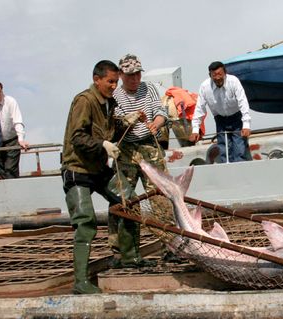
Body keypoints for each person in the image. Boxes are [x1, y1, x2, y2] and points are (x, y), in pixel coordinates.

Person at [62, 60, 127, 294]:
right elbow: (77, 137)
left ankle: (128, 257)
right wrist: (103, 145)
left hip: (98, 169)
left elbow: (110, 130)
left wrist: (123, 124)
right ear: (96, 79)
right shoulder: (84, 101)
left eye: (116, 82)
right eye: (110, 81)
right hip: (77, 169)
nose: (113, 86)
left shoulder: (110, 104)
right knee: (85, 223)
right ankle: (80, 282)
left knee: (127, 200)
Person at [110, 54, 168, 268]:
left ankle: (170, 246)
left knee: (161, 197)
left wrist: (157, 122)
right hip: (127, 150)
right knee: (124, 200)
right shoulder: (115, 94)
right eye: (130, 75)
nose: (135, 79)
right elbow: (115, 123)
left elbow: (160, 111)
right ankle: (120, 252)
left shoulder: (149, 88)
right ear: (121, 75)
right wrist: (128, 120)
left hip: (149, 147)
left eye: (137, 74)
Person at [190, 61, 251, 163]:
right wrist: (195, 130)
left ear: (225, 73)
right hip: (220, 120)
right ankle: (226, 174)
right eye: (214, 75)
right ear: (210, 76)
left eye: (220, 74)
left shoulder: (234, 81)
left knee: (239, 150)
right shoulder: (205, 87)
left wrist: (246, 125)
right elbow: (199, 108)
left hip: (236, 118)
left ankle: (240, 173)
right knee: (224, 151)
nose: (218, 78)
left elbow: (243, 102)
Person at [0, 81, 29, 179]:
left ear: (2, 91)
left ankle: (14, 191)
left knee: (10, 170)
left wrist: (21, 139)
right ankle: (6, 193)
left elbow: (17, 121)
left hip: (12, 141)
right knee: (2, 171)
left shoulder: (10, 102)